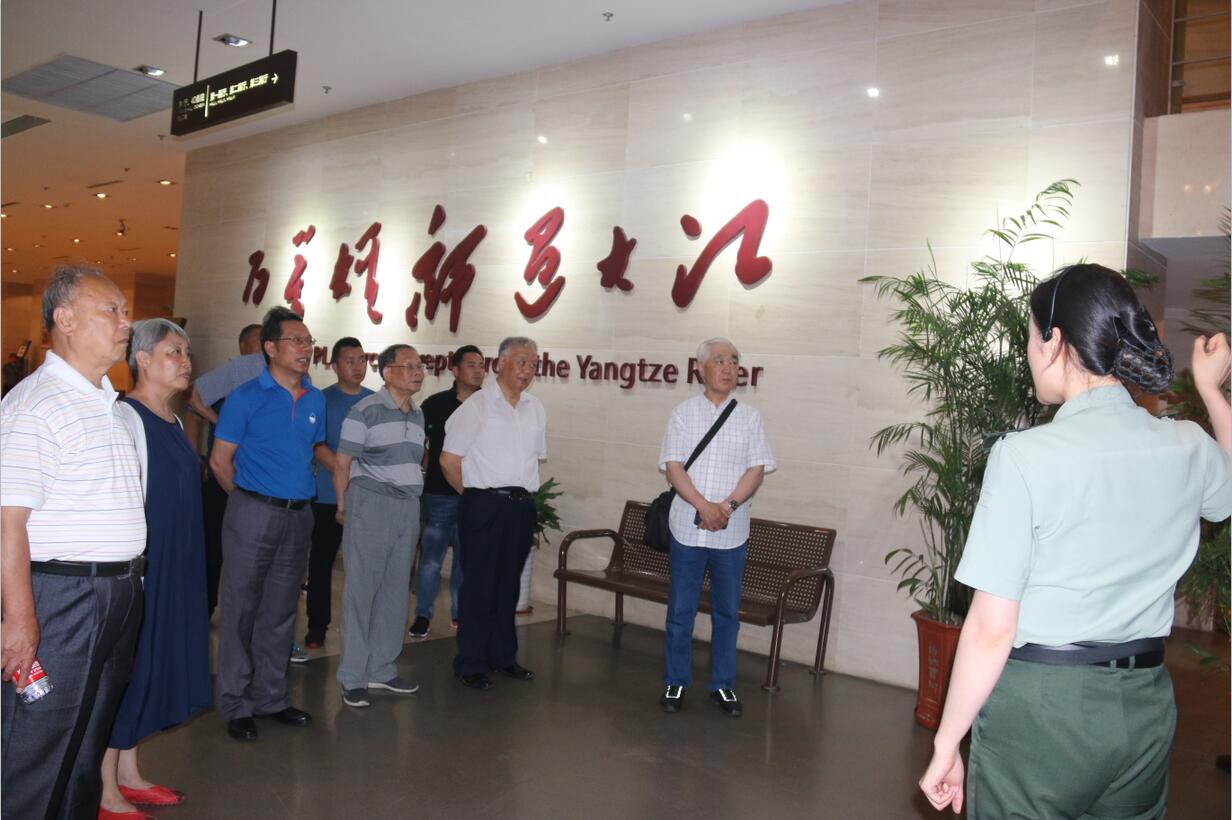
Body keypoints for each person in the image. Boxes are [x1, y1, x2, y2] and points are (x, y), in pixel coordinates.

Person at [919, 263, 1232, 818]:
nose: (1027, 354)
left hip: (1044, 710)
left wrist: (948, 742)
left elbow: (991, 628)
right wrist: (1210, 390)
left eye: (1029, 338)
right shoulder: (1185, 445)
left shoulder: (1024, 457)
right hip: (1145, 706)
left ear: (1054, 340)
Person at [1, 266, 145, 819]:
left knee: (85, 749)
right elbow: (7, 521)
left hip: (115, 593)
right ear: (63, 319)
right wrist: (20, 619)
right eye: (111, 310)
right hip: (64, 598)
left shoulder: (107, 404)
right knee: (36, 752)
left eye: (125, 312)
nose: (125, 323)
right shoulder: (37, 404)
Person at [99, 320, 211, 818]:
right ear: (142, 359)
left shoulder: (173, 421)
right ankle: (104, 790)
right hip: (145, 568)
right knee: (125, 673)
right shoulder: (124, 418)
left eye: (186, 352)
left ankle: (129, 773)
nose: (185, 361)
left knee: (149, 667)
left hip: (177, 563)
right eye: (173, 352)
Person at [210, 307, 326, 742]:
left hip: (299, 516)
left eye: (309, 341)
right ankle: (235, 703)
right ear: (271, 348)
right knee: (240, 610)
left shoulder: (314, 399)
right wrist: (248, 501)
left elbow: (308, 452)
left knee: (280, 611)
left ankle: (272, 698)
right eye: (296, 341)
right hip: (253, 513)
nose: (305, 348)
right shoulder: (245, 397)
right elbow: (220, 461)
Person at [657, 337, 775, 718]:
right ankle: (676, 680)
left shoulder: (750, 417)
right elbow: (673, 467)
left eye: (734, 361)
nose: (728, 367)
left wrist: (726, 507)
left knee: (727, 614)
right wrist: (703, 506)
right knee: (681, 611)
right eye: (720, 360)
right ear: (701, 369)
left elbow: (756, 469)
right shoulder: (682, 413)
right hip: (687, 529)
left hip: (732, 532)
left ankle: (722, 685)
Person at [441, 337, 545, 691]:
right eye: (521, 362)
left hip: (520, 507)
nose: (527, 370)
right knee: (479, 586)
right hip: (484, 504)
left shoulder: (535, 408)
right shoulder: (477, 406)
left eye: (533, 364)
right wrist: (474, 496)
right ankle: (470, 662)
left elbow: (531, 460)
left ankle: (503, 656)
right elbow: (449, 460)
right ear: (499, 364)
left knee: (508, 585)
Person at [334, 345, 427, 707]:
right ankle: (353, 676)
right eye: (409, 366)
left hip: (408, 507)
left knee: (395, 591)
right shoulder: (365, 410)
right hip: (371, 503)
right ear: (387, 372)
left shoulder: (417, 414)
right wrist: (343, 505)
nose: (417, 372)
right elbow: (343, 462)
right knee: (361, 591)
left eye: (419, 366)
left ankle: (382, 668)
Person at [409, 344, 485, 639]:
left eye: (481, 365)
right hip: (439, 495)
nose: (478, 370)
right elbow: (419, 443)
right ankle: (423, 615)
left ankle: (460, 613)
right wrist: (432, 468)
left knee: (466, 561)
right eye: (471, 364)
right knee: (431, 560)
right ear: (455, 369)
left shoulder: (490, 405)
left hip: (474, 495)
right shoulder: (435, 404)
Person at [190, 323, 262, 620]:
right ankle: (205, 608)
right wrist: (196, 457)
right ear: (243, 347)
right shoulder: (235, 372)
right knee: (214, 546)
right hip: (222, 473)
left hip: (258, 478)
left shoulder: (280, 377)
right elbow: (193, 403)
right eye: (258, 343)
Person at [305, 337, 373, 649]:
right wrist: (342, 470)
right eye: (350, 360)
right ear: (335, 366)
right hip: (327, 496)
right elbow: (316, 444)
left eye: (362, 360)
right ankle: (317, 624)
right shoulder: (321, 400)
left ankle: (360, 626)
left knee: (364, 567)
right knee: (321, 562)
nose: (357, 366)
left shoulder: (374, 401)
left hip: (366, 497)